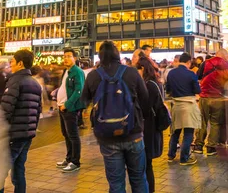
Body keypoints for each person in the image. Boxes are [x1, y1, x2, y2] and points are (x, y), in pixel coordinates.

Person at [81, 41, 150, 193]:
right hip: (134, 133)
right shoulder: (131, 72)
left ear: (100, 56)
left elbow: (83, 101)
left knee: (116, 183)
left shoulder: (93, 76)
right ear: (117, 54)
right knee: (138, 179)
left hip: (107, 136)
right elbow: (145, 100)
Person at [0, 50, 42, 193]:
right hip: (27, 134)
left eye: (13, 61)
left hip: (14, 135)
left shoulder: (15, 81)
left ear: (20, 63)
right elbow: (38, 111)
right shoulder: (35, 83)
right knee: (19, 169)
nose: (11, 64)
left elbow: (6, 108)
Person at [166, 52, 201, 166]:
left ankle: (171, 156)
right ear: (189, 62)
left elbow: (168, 90)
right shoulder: (191, 74)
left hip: (176, 105)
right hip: (188, 105)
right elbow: (197, 90)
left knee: (175, 131)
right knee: (188, 132)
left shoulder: (171, 73)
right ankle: (184, 158)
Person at [194, 48, 228, 156]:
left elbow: (198, 77)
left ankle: (198, 146)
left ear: (217, 54)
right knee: (215, 123)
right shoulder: (227, 65)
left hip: (204, 97)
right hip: (218, 98)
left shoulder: (206, 62)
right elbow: (227, 82)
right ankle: (211, 147)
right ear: (224, 56)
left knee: (202, 121)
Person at [136, 53, 164, 193]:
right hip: (152, 129)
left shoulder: (148, 86)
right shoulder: (156, 83)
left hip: (148, 130)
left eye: (137, 70)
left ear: (143, 69)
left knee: (146, 165)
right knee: (147, 165)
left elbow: (144, 109)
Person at [56, 48, 85, 173]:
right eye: (64, 56)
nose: (66, 58)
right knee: (66, 134)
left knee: (73, 135)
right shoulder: (66, 71)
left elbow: (79, 91)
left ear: (75, 58)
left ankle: (75, 162)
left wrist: (67, 104)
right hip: (62, 107)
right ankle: (68, 159)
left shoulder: (77, 71)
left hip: (70, 108)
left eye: (69, 56)